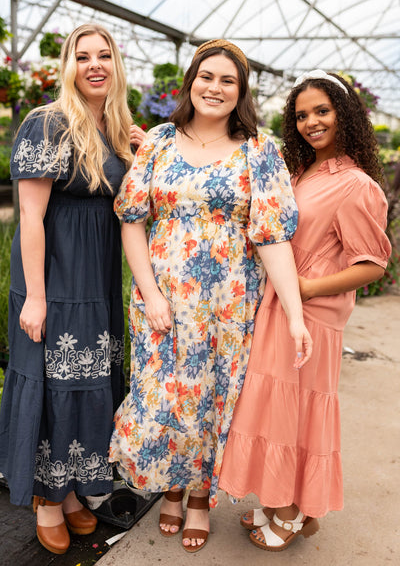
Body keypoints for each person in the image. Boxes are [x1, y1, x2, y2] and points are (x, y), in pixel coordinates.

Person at [109, 39, 312, 553]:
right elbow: (132, 222)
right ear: (191, 83)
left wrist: (294, 316)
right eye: (206, 77)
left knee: (216, 396)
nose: (215, 88)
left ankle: (198, 495)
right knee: (169, 396)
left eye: (227, 80)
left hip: (229, 302)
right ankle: (170, 488)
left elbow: (272, 238)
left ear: (241, 91)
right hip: (163, 299)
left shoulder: (259, 151)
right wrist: (150, 292)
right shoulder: (157, 140)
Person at [218, 70, 392, 551]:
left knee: (295, 416)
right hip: (278, 306)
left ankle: (292, 513)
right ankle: (284, 502)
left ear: (346, 114)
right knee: (276, 413)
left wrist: (310, 288)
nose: (311, 122)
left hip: (310, 316)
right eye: (301, 115)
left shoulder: (356, 185)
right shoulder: (301, 172)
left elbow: (373, 264)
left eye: (322, 111)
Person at [0, 23, 145, 555]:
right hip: (55, 276)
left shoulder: (117, 126)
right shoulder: (47, 123)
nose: (94, 65)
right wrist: (35, 296)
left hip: (98, 278)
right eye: (82, 57)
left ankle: (75, 489)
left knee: (90, 382)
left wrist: (142, 151)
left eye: (103, 55)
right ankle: (46, 496)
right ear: (67, 66)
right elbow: (29, 218)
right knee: (56, 379)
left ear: (116, 65)